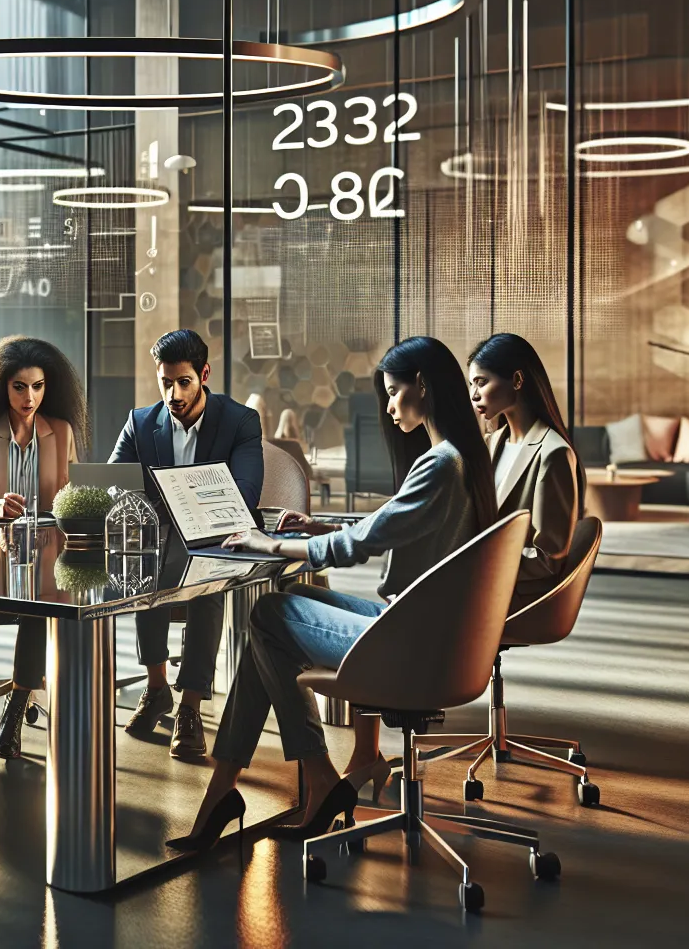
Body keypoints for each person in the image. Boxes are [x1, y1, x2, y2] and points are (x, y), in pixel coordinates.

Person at [167, 336, 497, 852]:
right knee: (264, 628)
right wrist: (319, 525)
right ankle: (223, 791)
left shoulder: (440, 463)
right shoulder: (462, 459)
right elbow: (390, 525)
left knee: (269, 614)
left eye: (393, 393)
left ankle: (308, 782)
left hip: (412, 642)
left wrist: (272, 542)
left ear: (423, 388)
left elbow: (363, 543)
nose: (388, 408)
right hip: (433, 632)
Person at [109, 329, 263, 760]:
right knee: (144, 564)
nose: (173, 394)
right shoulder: (140, 422)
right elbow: (111, 484)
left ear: (204, 375)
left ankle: (190, 707)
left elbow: (246, 492)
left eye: (183, 382)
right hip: (158, 540)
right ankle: (157, 688)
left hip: (216, 538)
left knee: (206, 580)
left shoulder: (239, 421)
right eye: (165, 383)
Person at [0, 336, 87, 760]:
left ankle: (15, 708)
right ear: (2, 386)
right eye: (19, 387)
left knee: (45, 599)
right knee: (39, 603)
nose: (29, 397)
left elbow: (70, 497)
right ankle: (21, 700)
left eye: (38, 386)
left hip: (49, 556)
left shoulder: (61, 431)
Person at [468, 333, 584, 607]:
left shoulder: (553, 453)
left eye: (481, 382)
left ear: (518, 380)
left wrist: (477, 569)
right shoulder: (492, 443)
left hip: (514, 592)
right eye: (471, 384)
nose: (474, 395)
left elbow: (547, 559)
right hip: (481, 582)